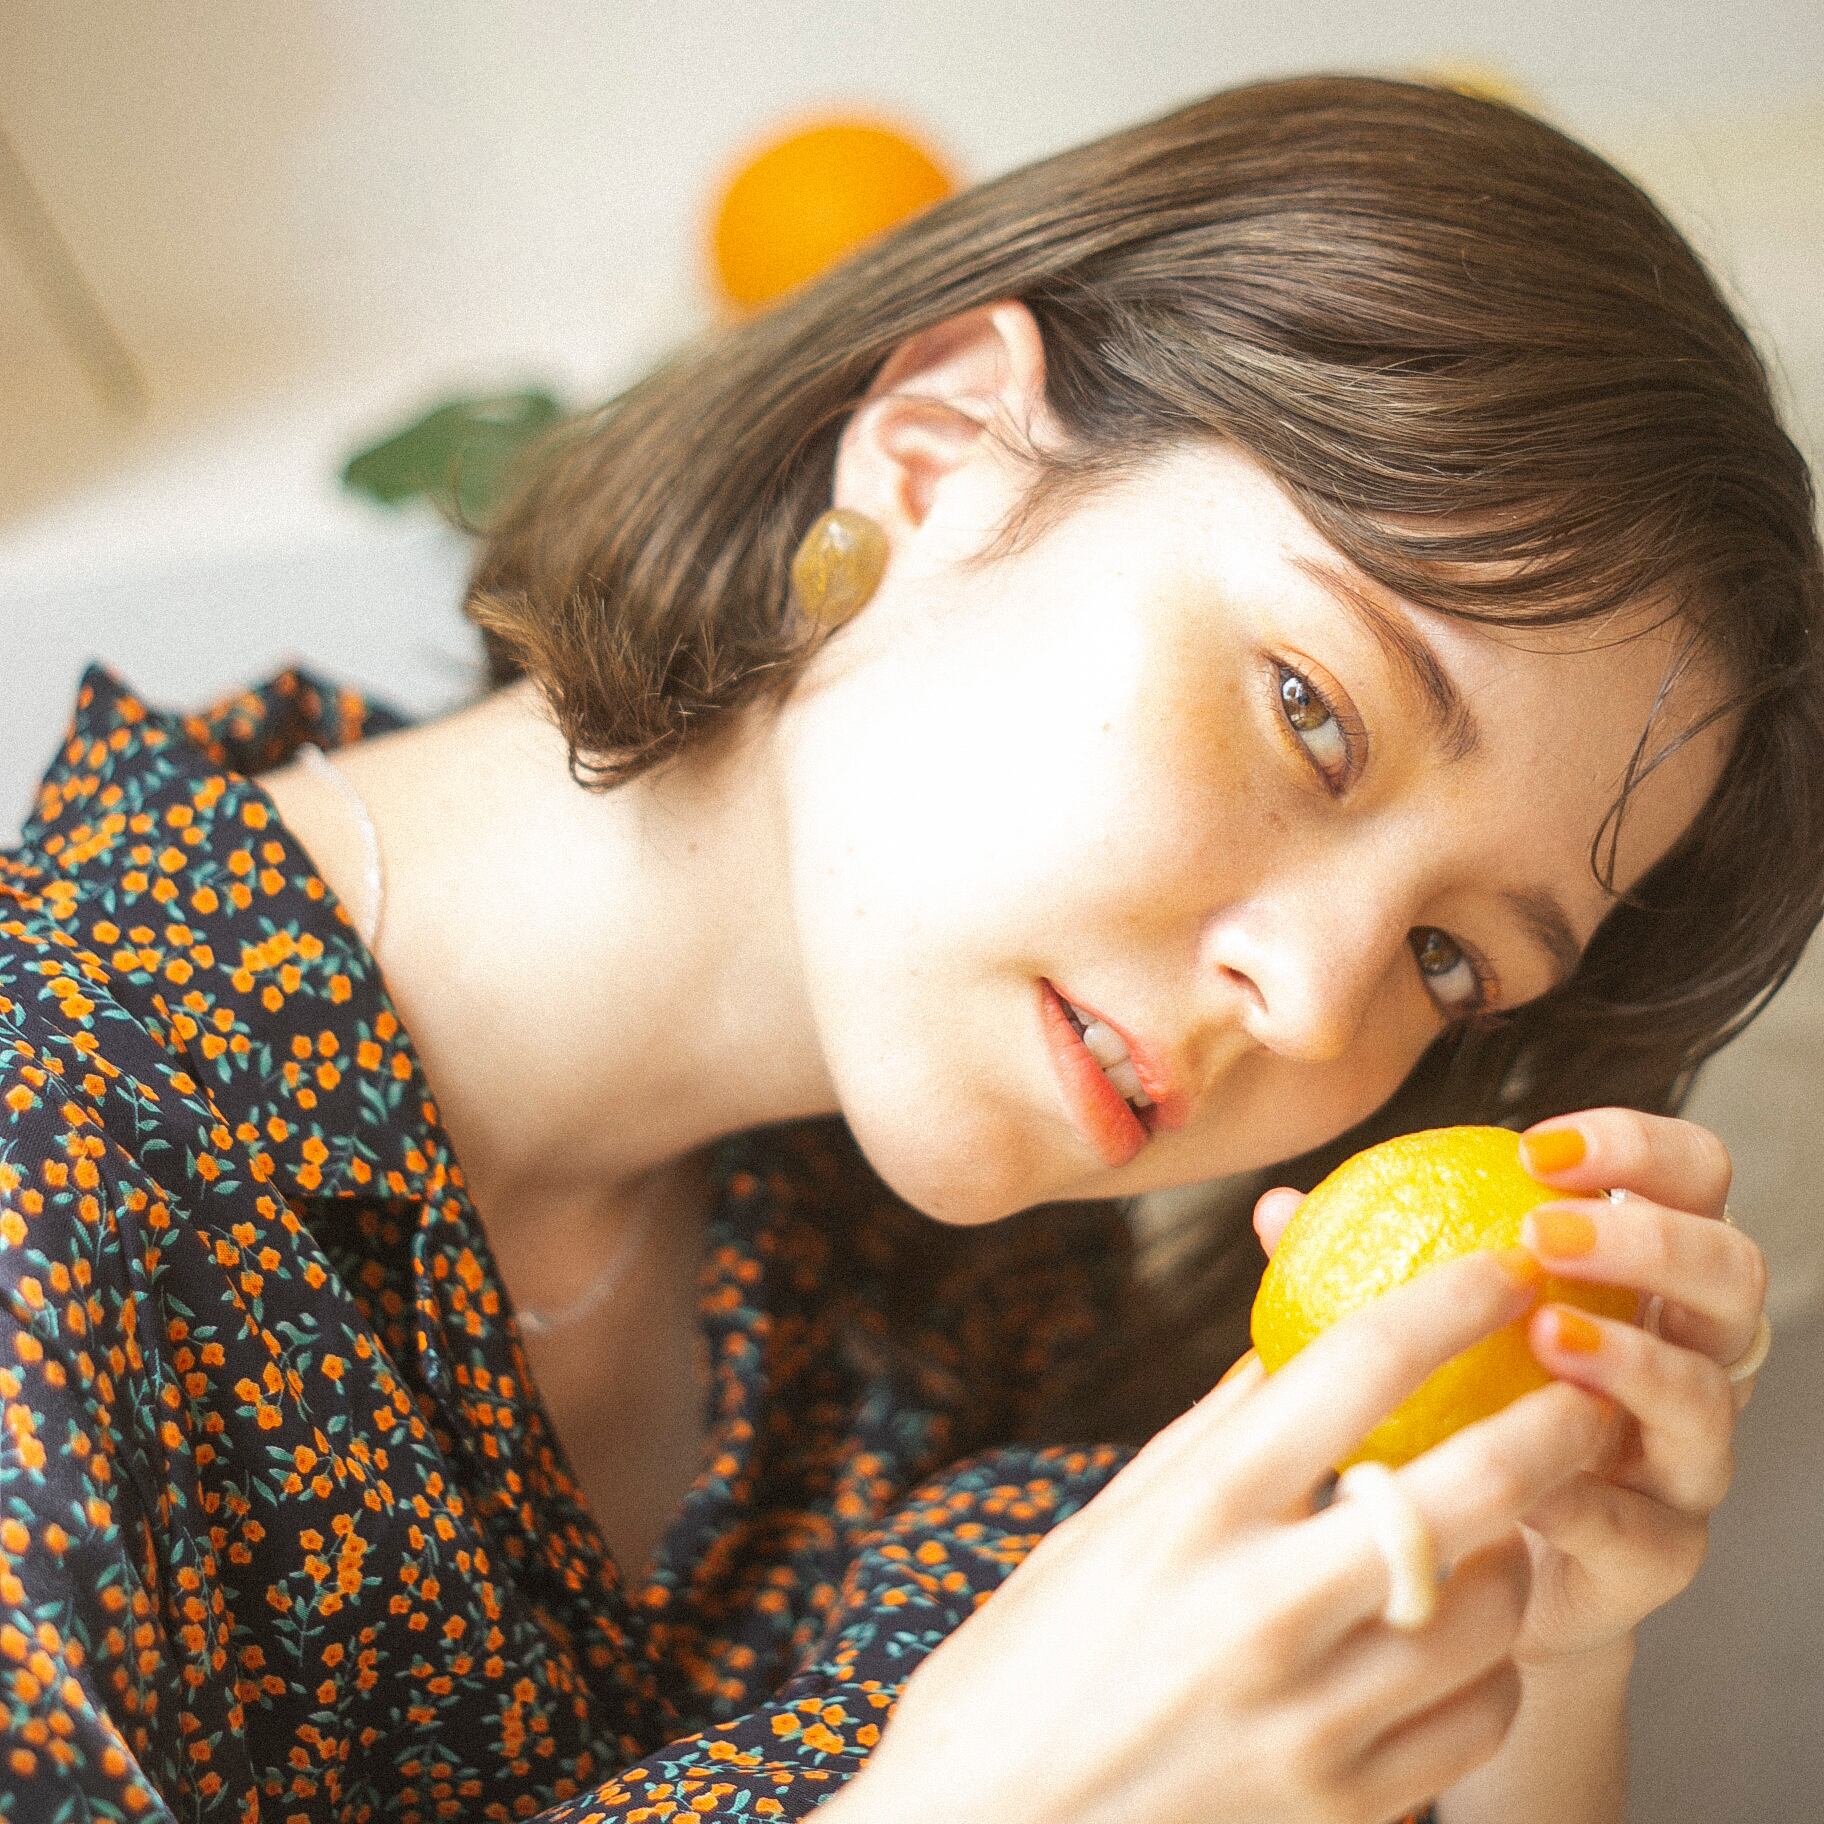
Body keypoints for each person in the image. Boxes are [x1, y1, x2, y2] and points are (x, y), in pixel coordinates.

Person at [1, 70, 1815, 1824]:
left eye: (1449, 961)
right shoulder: (52, 1145)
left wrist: (1534, 1655)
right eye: (1311, 712)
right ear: (941, 452)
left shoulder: (979, 1289)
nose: (1318, 1002)